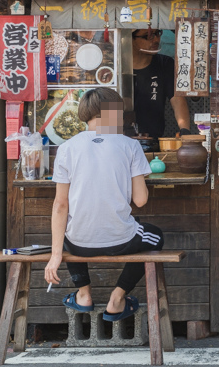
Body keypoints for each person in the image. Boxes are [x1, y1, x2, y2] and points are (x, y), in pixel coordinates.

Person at [44, 89, 162, 322]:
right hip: (121, 241)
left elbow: (60, 205)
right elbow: (140, 200)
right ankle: (117, 299)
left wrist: (55, 254)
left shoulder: (67, 148)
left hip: (78, 244)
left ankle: (84, 294)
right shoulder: (130, 146)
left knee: (68, 230)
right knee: (155, 236)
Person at [131, 28, 191, 138]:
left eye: (157, 33)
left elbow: (177, 100)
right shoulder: (116, 67)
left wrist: (185, 131)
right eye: (148, 36)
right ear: (130, 40)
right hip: (121, 140)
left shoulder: (165, 64)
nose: (156, 39)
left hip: (153, 139)